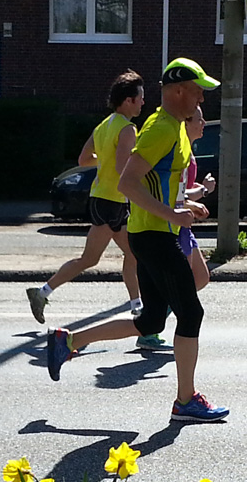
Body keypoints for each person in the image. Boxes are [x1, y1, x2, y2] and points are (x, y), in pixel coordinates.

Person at [46, 58, 229, 423]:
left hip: (152, 234)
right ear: (179, 91)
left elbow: (157, 184)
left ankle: (69, 342)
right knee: (191, 313)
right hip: (154, 236)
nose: (201, 100)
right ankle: (186, 401)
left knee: (150, 322)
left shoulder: (173, 127)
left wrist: (185, 205)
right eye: (198, 92)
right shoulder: (161, 129)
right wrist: (172, 215)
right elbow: (128, 183)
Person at [26, 71, 170, 347]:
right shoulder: (128, 129)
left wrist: (104, 161)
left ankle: (43, 292)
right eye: (140, 98)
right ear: (128, 100)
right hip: (115, 201)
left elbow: (84, 159)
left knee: (99, 258)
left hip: (99, 198)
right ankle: (139, 311)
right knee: (131, 254)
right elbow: (123, 168)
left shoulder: (104, 125)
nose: (143, 102)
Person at [178, 106, 213, 292]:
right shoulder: (180, 152)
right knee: (183, 285)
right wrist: (203, 191)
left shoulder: (188, 150)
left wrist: (198, 189)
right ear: (186, 124)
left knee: (200, 278)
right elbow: (176, 194)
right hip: (175, 223)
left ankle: (166, 305)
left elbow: (183, 189)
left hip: (185, 223)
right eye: (199, 119)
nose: (204, 123)